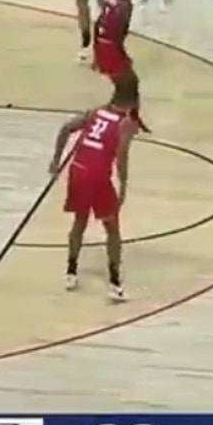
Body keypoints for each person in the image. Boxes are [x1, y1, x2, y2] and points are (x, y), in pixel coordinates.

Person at [49, 77, 141, 302]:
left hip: (78, 170)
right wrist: (123, 187)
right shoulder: (125, 123)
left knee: (80, 221)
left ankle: (71, 272)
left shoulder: (95, 112)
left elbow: (66, 128)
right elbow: (121, 157)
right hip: (99, 177)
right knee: (112, 229)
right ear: (132, 102)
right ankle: (115, 283)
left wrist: (56, 160)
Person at [91, 0, 150, 133]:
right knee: (128, 87)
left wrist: (96, 52)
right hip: (112, 48)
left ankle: (131, 118)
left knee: (126, 85)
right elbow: (119, 33)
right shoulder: (126, 6)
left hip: (102, 46)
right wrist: (122, 54)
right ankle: (106, 117)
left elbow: (97, 24)